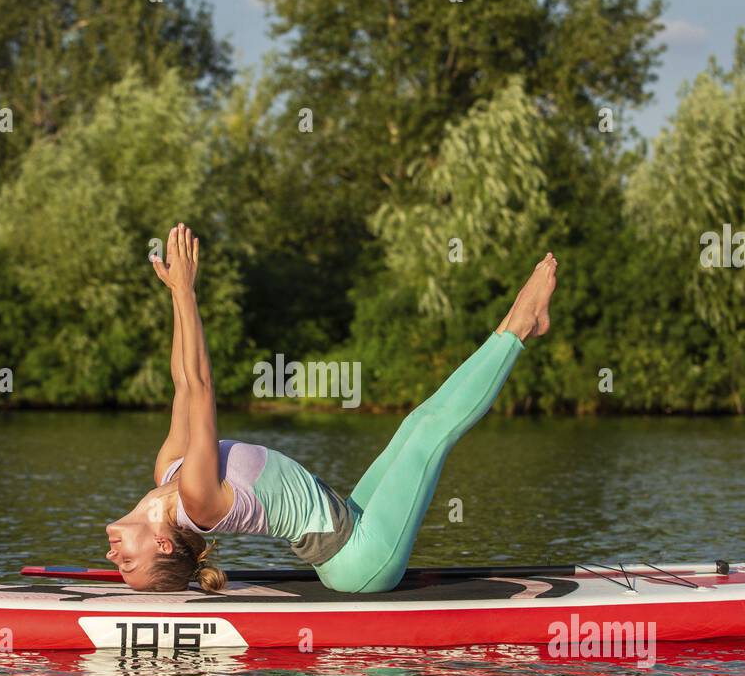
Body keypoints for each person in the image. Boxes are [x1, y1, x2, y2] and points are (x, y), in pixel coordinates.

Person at [105, 223, 557, 594]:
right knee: (428, 434)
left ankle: (518, 324)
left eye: (118, 563)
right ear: (164, 545)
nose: (113, 556)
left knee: (416, 424)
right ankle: (520, 323)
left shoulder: (171, 471)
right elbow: (204, 388)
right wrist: (187, 292)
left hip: (351, 534)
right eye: (127, 563)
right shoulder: (197, 500)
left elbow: (185, 384)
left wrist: (175, 293)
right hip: (360, 559)